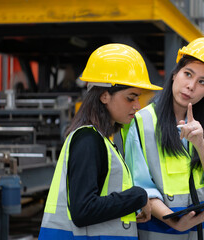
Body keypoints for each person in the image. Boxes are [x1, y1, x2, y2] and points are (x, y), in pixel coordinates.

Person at [38, 43, 162, 239]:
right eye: (131, 98)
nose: (137, 105)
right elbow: (83, 210)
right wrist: (138, 196)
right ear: (104, 96)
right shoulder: (88, 140)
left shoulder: (102, 141)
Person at [124, 37, 204, 240]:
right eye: (187, 74)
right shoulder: (143, 122)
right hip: (161, 229)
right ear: (174, 75)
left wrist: (201, 145)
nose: (191, 86)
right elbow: (140, 185)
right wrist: (174, 222)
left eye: (202, 82)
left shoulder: (203, 127)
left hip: (201, 229)